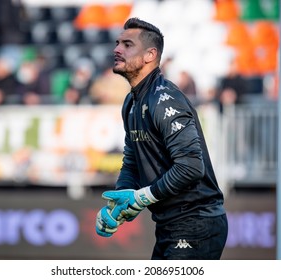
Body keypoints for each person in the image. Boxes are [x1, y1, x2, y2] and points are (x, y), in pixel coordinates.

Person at [95, 18, 228, 260]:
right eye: (117, 43)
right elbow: (133, 159)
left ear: (150, 55)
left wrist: (141, 197)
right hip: (170, 226)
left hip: (196, 224)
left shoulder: (166, 99)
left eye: (127, 44)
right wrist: (120, 204)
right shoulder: (131, 102)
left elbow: (190, 167)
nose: (116, 49)